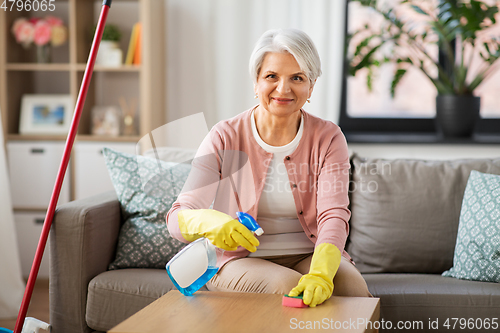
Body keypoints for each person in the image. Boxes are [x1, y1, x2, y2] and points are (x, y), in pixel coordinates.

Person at [166, 28, 371, 307]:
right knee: (286, 288)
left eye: (297, 78)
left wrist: (322, 275)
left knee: (352, 289)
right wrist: (211, 222)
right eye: (271, 76)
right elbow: (178, 218)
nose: (283, 89)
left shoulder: (328, 137)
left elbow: (333, 215)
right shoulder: (224, 135)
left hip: (307, 255)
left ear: (311, 87)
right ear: (256, 83)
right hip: (237, 260)